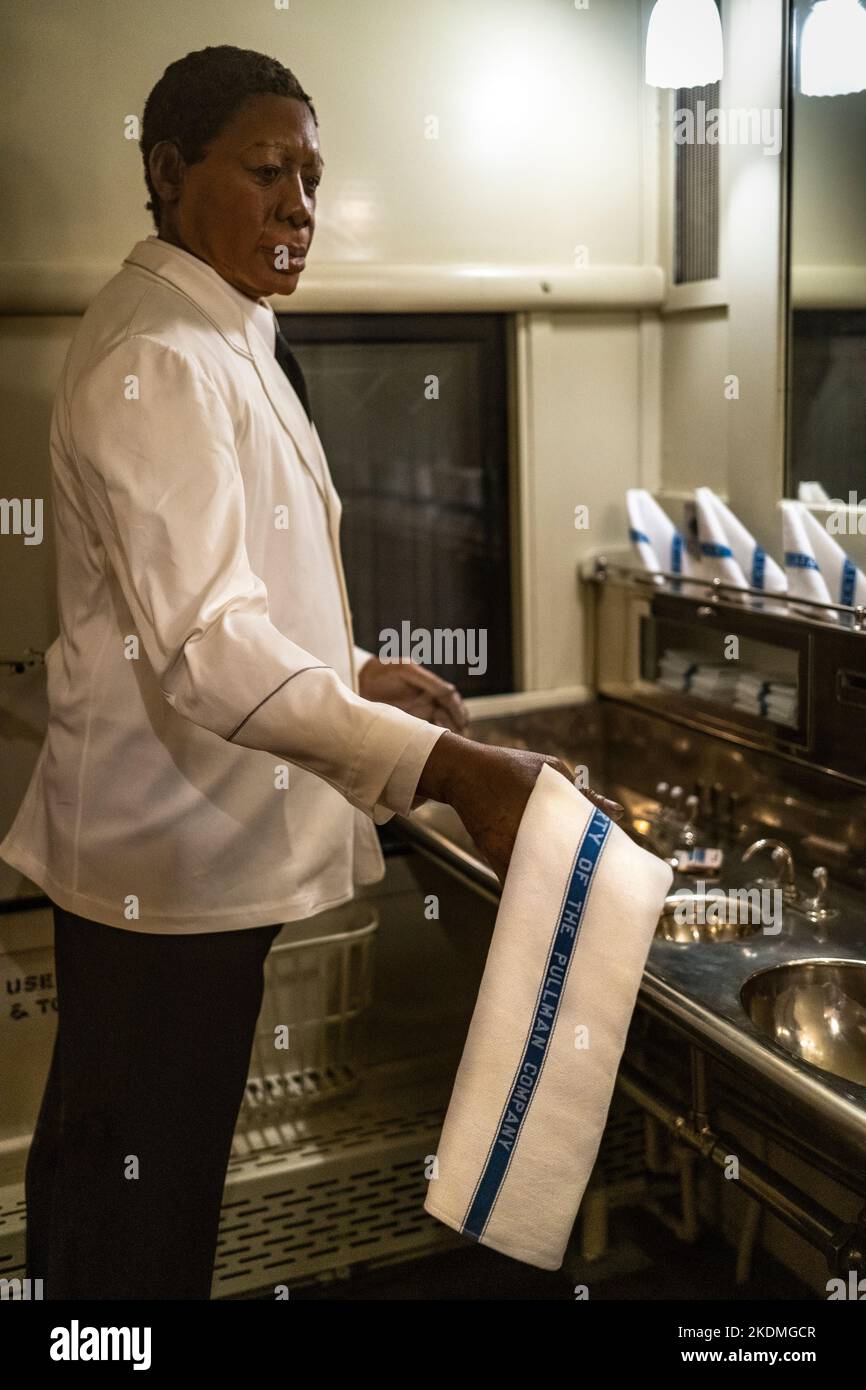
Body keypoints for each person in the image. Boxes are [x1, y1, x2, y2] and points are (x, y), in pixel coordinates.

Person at [0, 45, 622, 1300]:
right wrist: (455, 768)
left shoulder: (221, 332)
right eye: (267, 170)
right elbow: (204, 649)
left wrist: (349, 673)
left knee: (127, 1175)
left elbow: (218, 600)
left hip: (185, 855)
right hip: (165, 872)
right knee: (136, 1211)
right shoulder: (163, 355)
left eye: (313, 179)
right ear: (171, 174)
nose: (299, 209)